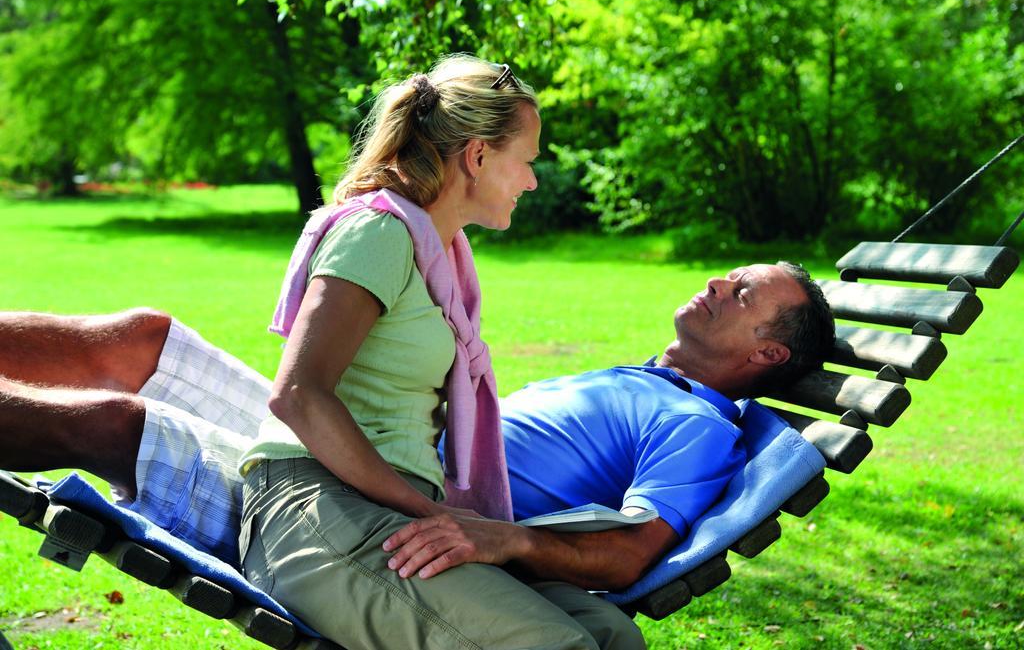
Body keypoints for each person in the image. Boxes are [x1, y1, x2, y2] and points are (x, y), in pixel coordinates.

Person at [0, 261, 834, 647]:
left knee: (118, 425)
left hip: (359, 509)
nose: (721, 284)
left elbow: (630, 550)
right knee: (146, 339)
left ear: (764, 355)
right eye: (731, 275)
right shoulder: (647, 378)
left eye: (746, 293)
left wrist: (504, 538)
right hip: (361, 442)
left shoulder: (697, 424)